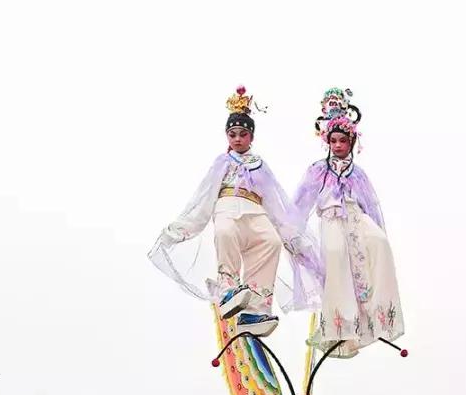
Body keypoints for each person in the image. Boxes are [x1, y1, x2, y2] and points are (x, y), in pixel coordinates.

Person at [149, 86, 321, 337]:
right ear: (227, 137)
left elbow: (275, 203)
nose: (237, 139)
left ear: (251, 136)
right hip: (228, 206)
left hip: (256, 210)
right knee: (226, 232)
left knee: (271, 242)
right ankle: (228, 287)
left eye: (242, 134)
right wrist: (179, 229)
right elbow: (204, 197)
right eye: (232, 134)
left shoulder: (260, 165)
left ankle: (255, 307)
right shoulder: (223, 162)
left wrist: (294, 240)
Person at [290, 87, 404, 358]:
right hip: (331, 218)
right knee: (335, 255)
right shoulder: (318, 170)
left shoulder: (358, 174)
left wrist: (373, 229)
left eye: (343, 141)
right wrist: (291, 233)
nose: (338, 146)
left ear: (351, 143)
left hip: (356, 218)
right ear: (327, 142)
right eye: (334, 141)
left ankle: (375, 315)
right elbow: (300, 204)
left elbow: (371, 207)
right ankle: (339, 324)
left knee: (379, 242)